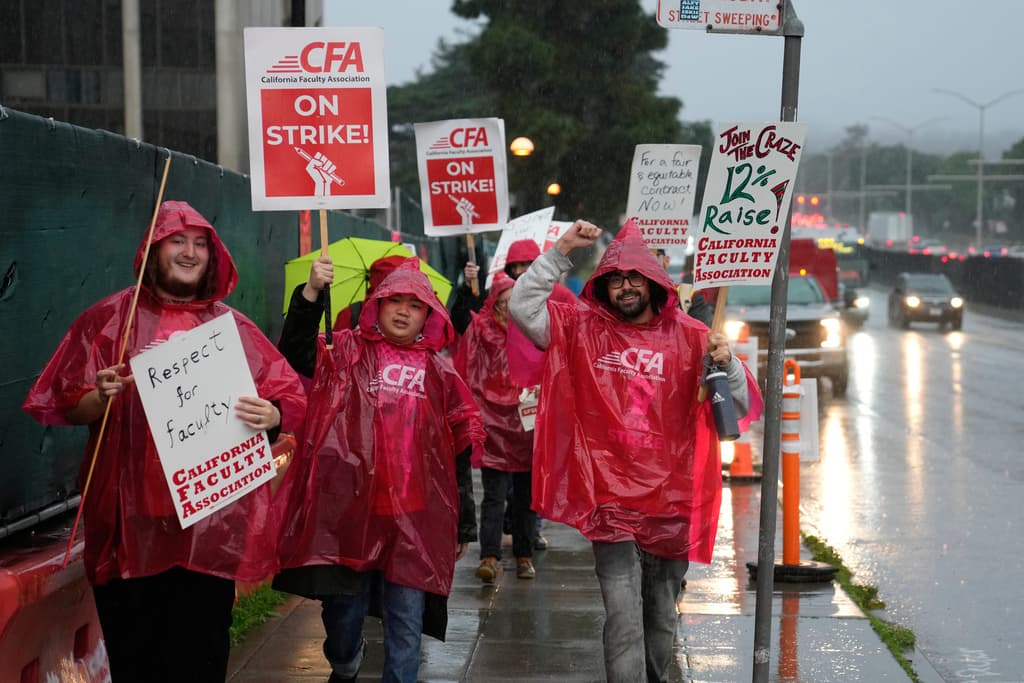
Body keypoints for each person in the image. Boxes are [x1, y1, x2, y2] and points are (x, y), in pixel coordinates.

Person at [22, 201, 307, 683]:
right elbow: (68, 404)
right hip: (128, 528)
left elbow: (285, 398)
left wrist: (272, 414)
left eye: (200, 243)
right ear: (153, 250)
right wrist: (101, 394)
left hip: (209, 528)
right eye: (178, 241)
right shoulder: (109, 319)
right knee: (138, 662)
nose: (190, 253)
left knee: (201, 659)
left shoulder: (232, 328)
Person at [509, 219, 760, 683]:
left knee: (661, 617)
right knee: (623, 617)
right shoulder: (580, 329)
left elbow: (740, 406)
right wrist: (562, 249)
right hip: (610, 502)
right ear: (604, 286)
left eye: (634, 277)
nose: (625, 287)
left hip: (672, 500)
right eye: (616, 279)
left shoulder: (692, 336)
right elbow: (522, 307)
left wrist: (729, 365)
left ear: (653, 282)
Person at [274, 256, 484, 683]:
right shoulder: (344, 350)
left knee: (406, 623)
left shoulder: (439, 372)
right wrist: (312, 292)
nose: (404, 311)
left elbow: (457, 449)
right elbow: (294, 350)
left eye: (415, 303)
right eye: (395, 300)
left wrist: (462, 525)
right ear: (377, 303)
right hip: (348, 517)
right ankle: (347, 662)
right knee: (344, 616)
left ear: (429, 313)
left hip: (412, 520)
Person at [454, 273, 538, 582]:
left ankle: (524, 554)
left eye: (513, 300)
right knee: (494, 495)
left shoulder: (531, 327)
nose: (508, 306)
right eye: (503, 301)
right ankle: (490, 555)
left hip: (527, 426)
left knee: (526, 498)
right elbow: (462, 326)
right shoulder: (481, 328)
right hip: (494, 426)